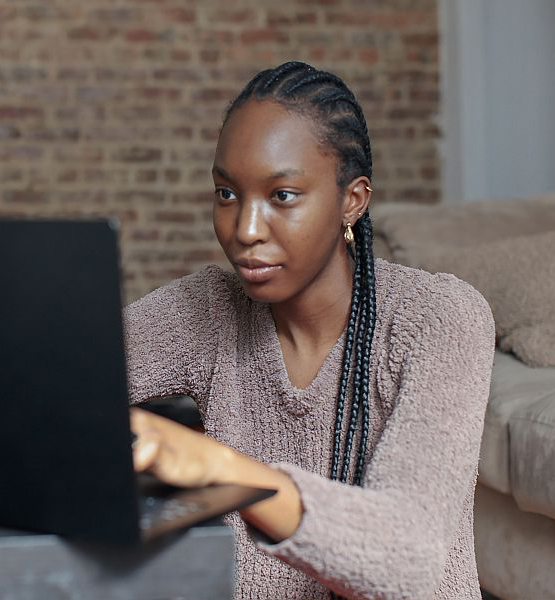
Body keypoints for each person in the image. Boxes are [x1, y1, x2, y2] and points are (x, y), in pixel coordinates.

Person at [124, 61, 496, 599]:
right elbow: (59, 375)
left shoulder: (438, 319)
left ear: (353, 200)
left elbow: (407, 556)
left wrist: (225, 472)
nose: (245, 231)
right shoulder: (206, 309)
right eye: (227, 194)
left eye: (282, 196)